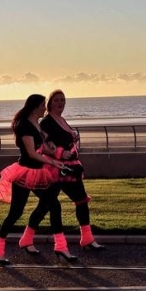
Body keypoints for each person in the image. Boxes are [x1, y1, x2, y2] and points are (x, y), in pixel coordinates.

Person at [0, 94, 72, 266]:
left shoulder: (36, 123)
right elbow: (31, 153)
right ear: (35, 107)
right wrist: (53, 162)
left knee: (53, 205)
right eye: (43, 105)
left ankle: (59, 247)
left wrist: (51, 149)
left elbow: (42, 146)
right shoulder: (24, 125)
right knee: (16, 213)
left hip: (37, 172)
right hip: (24, 173)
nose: (45, 108)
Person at [21, 89, 105, 252]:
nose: (61, 103)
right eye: (57, 100)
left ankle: (87, 238)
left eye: (63, 100)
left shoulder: (61, 119)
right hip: (55, 170)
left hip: (70, 168)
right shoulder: (46, 122)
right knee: (47, 205)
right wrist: (60, 152)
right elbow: (42, 145)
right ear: (50, 104)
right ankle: (27, 239)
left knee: (81, 201)